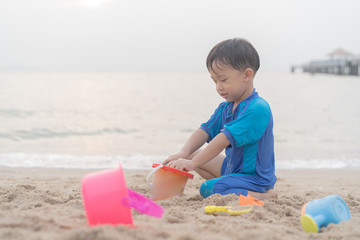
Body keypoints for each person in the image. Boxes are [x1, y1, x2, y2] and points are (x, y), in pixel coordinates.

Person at [163, 38, 277, 200]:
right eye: (215, 81)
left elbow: (223, 139)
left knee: (207, 189)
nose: (219, 87)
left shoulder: (258, 108)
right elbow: (205, 131)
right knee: (190, 154)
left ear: (247, 75)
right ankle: (229, 184)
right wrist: (183, 153)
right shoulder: (226, 107)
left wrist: (193, 164)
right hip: (232, 169)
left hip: (254, 178)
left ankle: (265, 195)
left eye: (223, 80)